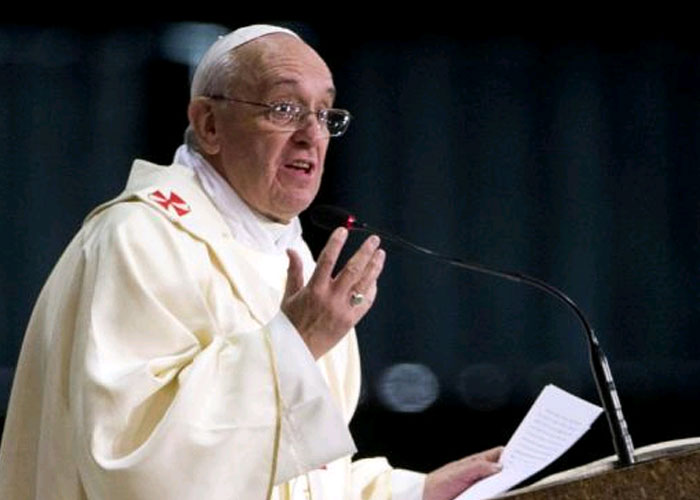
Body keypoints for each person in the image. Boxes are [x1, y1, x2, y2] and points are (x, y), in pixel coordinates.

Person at [0, 24, 502, 499]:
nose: (312, 134)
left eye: (325, 114)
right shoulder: (139, 239)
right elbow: (137, 469)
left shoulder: (292, 254)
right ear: (209, 124)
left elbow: (296, 478)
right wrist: (295, 342)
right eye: (284, 108)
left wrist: (417, 490)